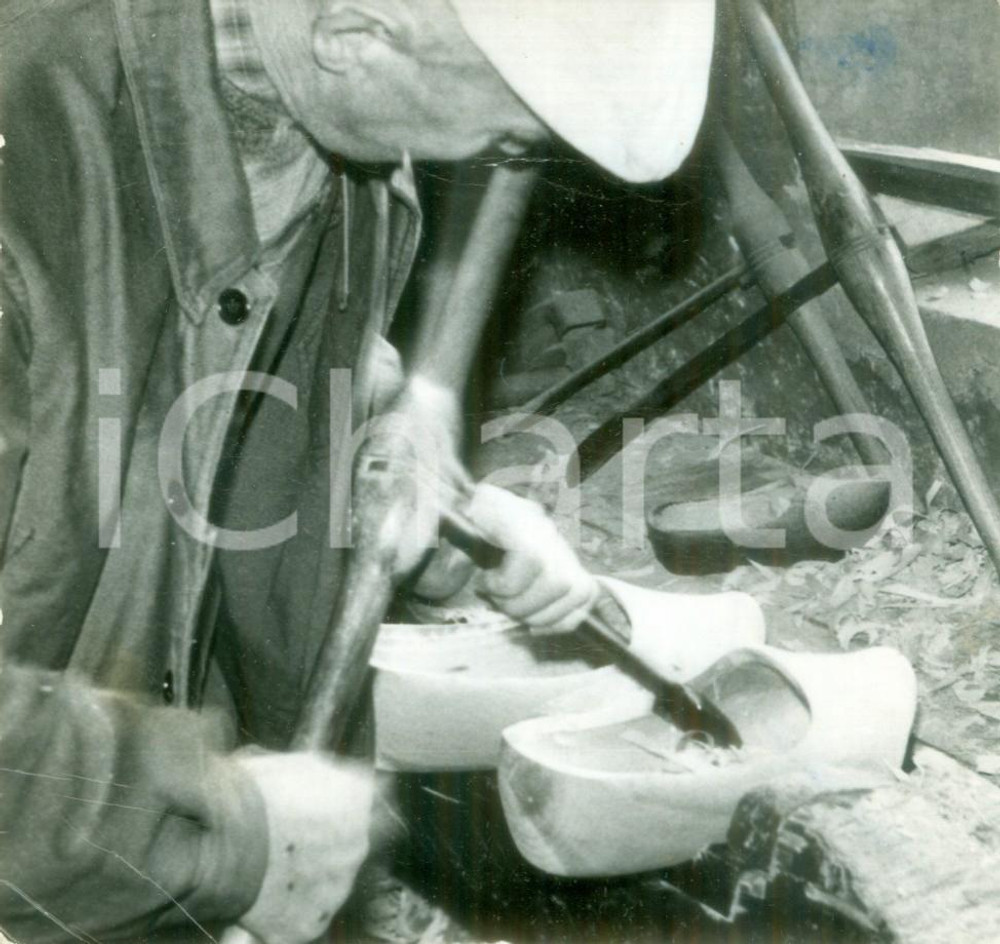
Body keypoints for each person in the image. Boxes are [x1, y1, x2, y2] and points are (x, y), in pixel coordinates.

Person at [0, 0, 727, 941]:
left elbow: (221, 416)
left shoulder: (333, 142)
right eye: (510, 135)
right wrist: (218, 834)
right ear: (354, 38)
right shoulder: (29, 161)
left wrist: (435, 518)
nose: (504, 156)